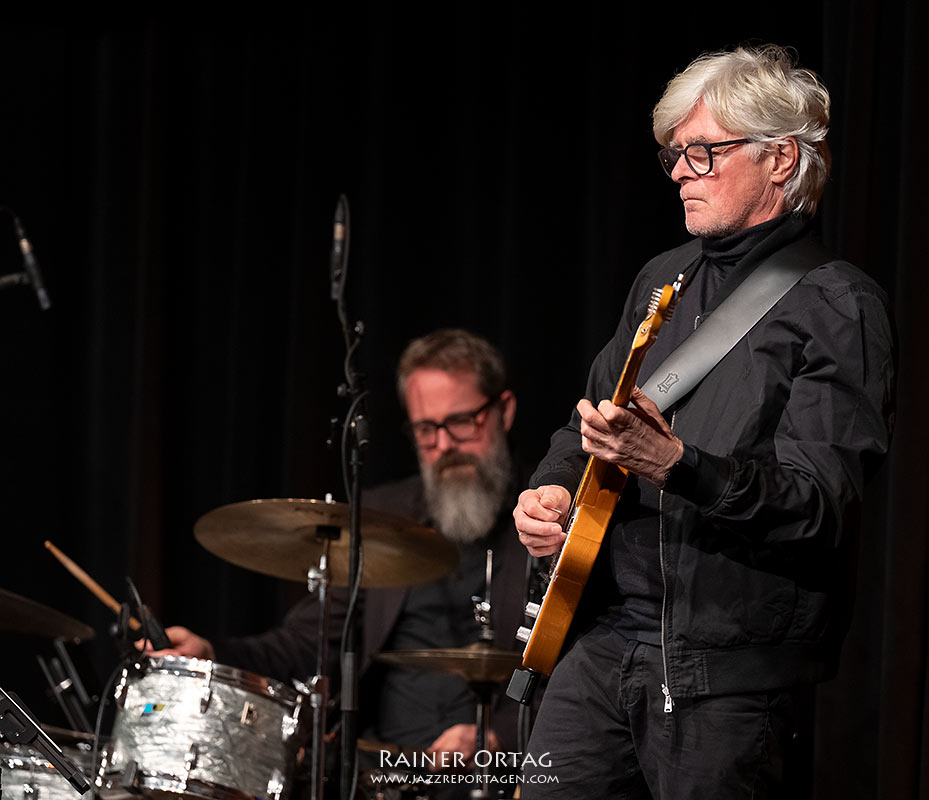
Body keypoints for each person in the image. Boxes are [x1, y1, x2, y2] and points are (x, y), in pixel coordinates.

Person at [513, 45, 895, 799]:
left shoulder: (836, 305)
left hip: (723, 673)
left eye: (703, 151)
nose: (682, 171)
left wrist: (675, 464)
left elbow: (816, 508)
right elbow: (584, 424)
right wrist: (554, 489)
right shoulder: (662, 278)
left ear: (780, 159)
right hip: (598, 641)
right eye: (675, 154)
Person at [154, 329, 538, 774]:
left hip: (505, 771)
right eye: (426, 430)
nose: (445, 445)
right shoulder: (380, 515)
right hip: (381, 769)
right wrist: (210, 652)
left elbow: (578, 669)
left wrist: (496, 737)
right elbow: (305, 643)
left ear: (503, 411)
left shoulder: (548, 517)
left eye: (461, 422)